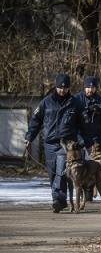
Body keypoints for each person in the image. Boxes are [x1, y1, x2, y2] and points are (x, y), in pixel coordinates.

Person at [24, 74, 82, 213]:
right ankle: (58, 201)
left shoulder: (75, 103)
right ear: (55, 87)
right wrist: (29, 137)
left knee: (61, 172)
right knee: (52, 174)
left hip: (66, 144)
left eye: (65, 88)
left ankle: (59, 200)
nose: (62, 90)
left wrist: (82, 140)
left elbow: (81, 124)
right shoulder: (46, 102)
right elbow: (36, 121)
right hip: (49, 143)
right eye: (60, 87)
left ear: (69, 88)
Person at [75, 75, 101, 153]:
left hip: (96, 140)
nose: (90, 90)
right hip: (80, 140)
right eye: (88, 87)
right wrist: (78, 138)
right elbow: (71, 122)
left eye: (93, 88)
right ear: (84, 87)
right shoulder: (76, 100)